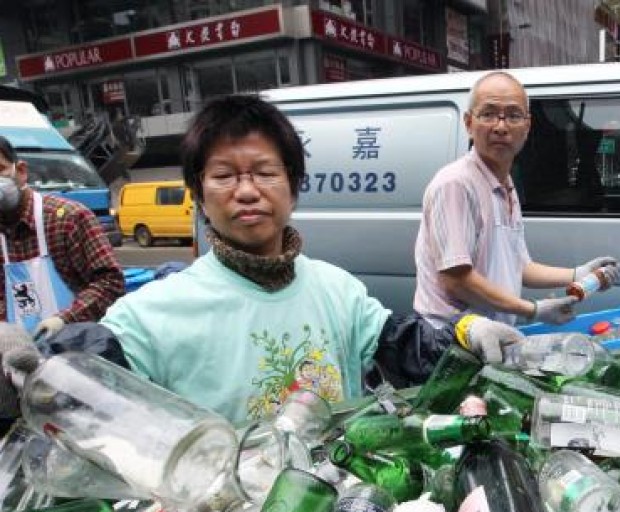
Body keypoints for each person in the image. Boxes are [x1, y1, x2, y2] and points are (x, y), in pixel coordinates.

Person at [0, 95, 522, 427]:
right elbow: (71, 377)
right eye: (225, 175)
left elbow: (404, 344)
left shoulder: (336, 290)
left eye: (266, 173)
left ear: (293, 186)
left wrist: (466, 332)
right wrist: (22, 367)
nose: (247, 190)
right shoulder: (154, 312)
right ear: (199, 195)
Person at [413, 71, 620, 327]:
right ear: (468, 123)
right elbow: (457, 279)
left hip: (493, 335)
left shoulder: (506, 185)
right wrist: (532, 310)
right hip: (451, 340)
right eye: (488, 114)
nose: (501, 127)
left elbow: (519, 266)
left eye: (513, 116)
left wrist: (578, 273)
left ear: (527, 126)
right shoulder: (456, 184)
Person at [0, 135, 124, 337]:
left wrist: (64, 320)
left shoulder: (68, 219)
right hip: (21, 351)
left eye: (0, 169)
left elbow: (111, 283)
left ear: (21, 171)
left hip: (79, 346)